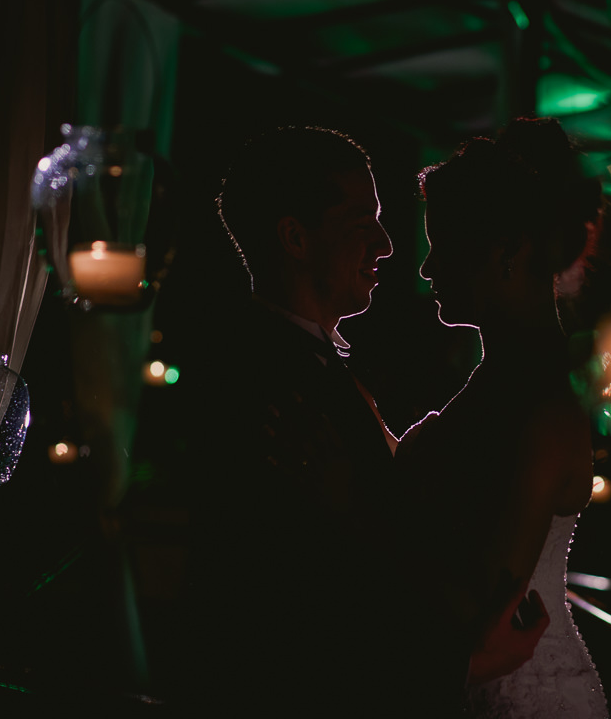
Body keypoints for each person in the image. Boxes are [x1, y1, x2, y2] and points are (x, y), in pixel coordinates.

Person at [177, 125, 541, 716]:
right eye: (360, 222)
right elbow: (292, 609)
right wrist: (464, 666)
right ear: (295, 237)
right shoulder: (270, 384)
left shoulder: (307, 363)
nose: (387, 245)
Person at [395, 117, 608, 718]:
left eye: (443, 244)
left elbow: (487, 604)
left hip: (521, 694)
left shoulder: (542, 407)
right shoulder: (500, 383)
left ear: (508, 249)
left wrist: (349, 503)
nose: (427, 268)